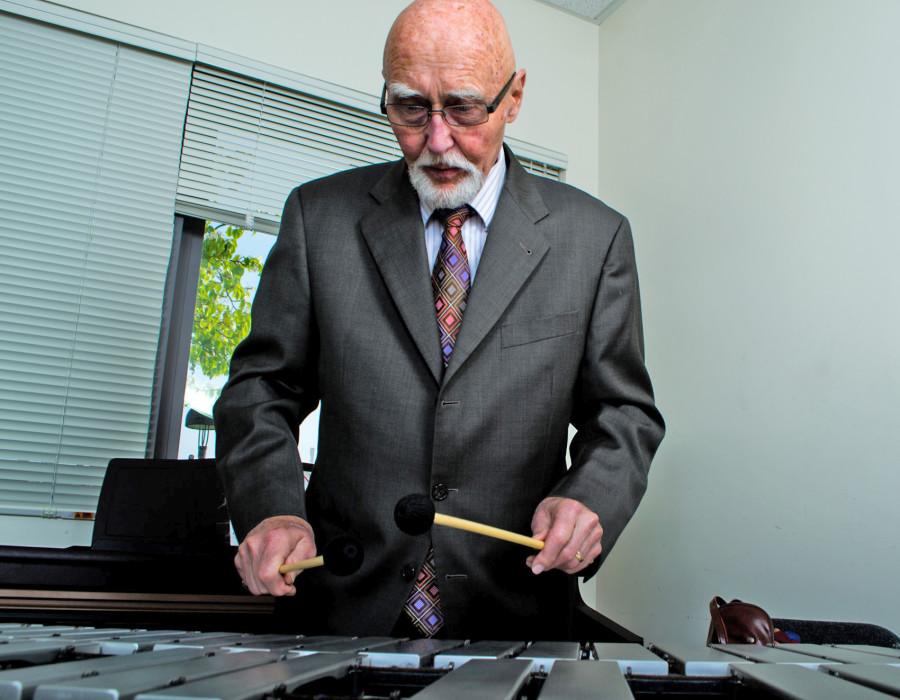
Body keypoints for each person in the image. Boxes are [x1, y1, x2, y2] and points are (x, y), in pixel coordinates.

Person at [214, 0, 664, 641]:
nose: (438, 140)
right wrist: (271, 511)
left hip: (517, 612)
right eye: (410, 108)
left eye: (464, 108)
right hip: (340, 607)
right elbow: (262, 388)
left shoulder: (595, 240)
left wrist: (590, 498)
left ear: (515, 98)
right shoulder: (320, 219)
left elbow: (624, 415)